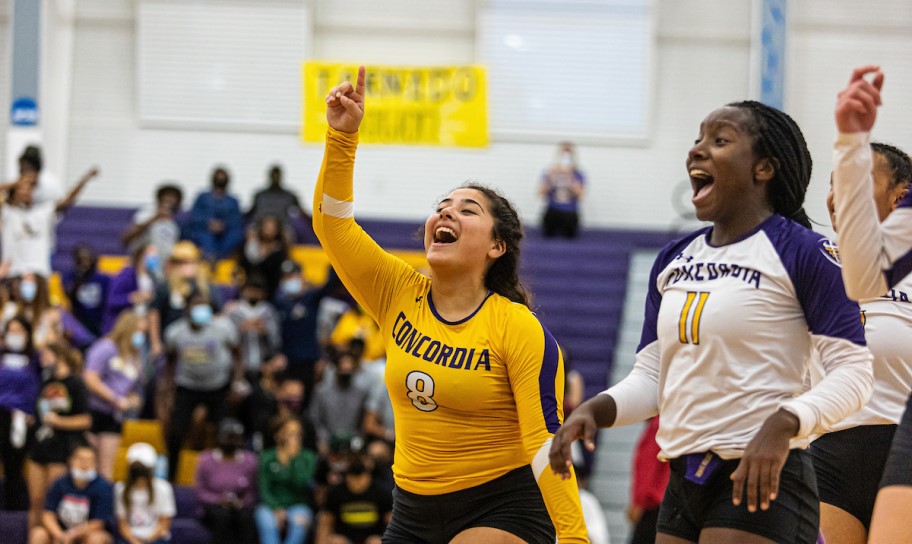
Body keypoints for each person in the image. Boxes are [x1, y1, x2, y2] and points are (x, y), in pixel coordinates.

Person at [549, 99, 874, 544]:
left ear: (764, 169)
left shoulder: (804, 253)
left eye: (719, 141)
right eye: (698, 139)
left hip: (762, 475)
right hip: (682, 476)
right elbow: (651, 375)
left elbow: (855, 373)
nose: (697, 151)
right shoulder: (674, 258)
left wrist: (784, 423)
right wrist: (595, 410)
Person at [315, 66, 587, 543]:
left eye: (467, 209)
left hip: (504, 504)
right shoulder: (396, 291)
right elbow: (333, 226)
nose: (446, 212)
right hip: (411, 509)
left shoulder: (517, 329)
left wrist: (575, 538)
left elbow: (545, 442)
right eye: (443, 205)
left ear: (496, 246)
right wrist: (342, 138)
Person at [810, 141, 912, 544]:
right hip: (829, 454)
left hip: (903, 450)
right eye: (834, 183)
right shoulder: (810, 260)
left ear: (900, 197)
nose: (838, 195)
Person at [163, 290, 242, 481]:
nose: (201, 310)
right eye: (196, 306)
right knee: (176, 432)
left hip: (218, 387)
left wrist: (237, 382)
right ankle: (171, 477)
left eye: (204, 306)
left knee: (224, 431)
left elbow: (238, 355)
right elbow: (170, 363)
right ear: (187, 309)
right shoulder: (175, 332)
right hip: (187, 387)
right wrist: (167, 391)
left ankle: (223, 477)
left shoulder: (224, 327)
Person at [28, 342, 92, 529]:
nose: (42, 359)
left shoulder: (76, 383)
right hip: (40, 445)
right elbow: (40, 412)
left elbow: (85, 420)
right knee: (36, 501)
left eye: (46, 355)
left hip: (62, 448)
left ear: (60, 357)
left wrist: (58, 422)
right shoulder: (45, 381)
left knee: (51, 502)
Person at [83, 311, 148, 480]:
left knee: (107, 468)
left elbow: (133, 386)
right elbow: (90, 377)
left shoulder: (134, 355)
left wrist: (133, 399)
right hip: (95, 410)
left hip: (115, 416)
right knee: (88, 464)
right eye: (138, 331)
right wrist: (113, 398)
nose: (141, 336)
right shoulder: (105, 348)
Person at [1, 166, 98, 278]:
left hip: (39, 273)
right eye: (21, 190)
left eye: (28, 190)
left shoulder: (44, 211)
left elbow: (67, 201)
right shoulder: (8, 213)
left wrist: (84, 180)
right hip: (13, 273)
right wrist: (18, 182)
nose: (25, 193)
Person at [29, 442, 113, 544]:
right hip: (61, 530)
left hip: (87, 533)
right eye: (80, 459)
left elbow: (98, 523)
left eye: (89, 460)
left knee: (96, 539)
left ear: (96, 464)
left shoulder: (103, 487)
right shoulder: (60, 483)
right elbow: (48, 515)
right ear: (71, 461)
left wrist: (72, 535)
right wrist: (60, 535)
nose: (84, 464)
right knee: (38, 533)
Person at [0, 316, 41, 511]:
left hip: (21, 419)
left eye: (19, 331)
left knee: (14, 470)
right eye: (11, 330)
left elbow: (43, 387)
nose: (14, 335)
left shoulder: (36, 357)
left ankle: (12, 519)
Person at [255, 416, 318, 544]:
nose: (295, 438)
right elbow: (264, 488)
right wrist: (276, 508)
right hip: (271, 506)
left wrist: (294, 459)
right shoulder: (267, 457)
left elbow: (303, 484)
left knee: (300, 522)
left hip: (299, 505)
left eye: (298, 434)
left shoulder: (308, 457)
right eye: (290, 433)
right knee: (266, 521)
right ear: (278, 435)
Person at [195, 418, 258, 544]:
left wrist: (241, 502)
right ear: (219, 437)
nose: (231, 440)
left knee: (246, 518)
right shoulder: (206, 459)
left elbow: (252, 492)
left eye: (235, 437)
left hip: (240, 506)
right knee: (222, 516)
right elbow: (200, 492)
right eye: (228, 436)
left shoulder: (250, 460)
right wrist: (219, 500)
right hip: (214, 507)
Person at [315, 446, 392, 544]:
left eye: (360, 478)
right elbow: (325, 523)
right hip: (345, 539)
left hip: (372, 539)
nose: (357, 483)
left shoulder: (381, 493)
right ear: (347, 476)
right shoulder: (336, 493)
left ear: (367, 475)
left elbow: (392, 523)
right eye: (353, 478)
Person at [115, 442, 175, 544]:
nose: (140, 477)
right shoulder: (121, 488)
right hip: (130, 539)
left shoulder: (163, 488)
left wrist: (147, 540)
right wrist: (134, 541)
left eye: (143, 471)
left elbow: (164, 522)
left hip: (156, 538)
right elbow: (122, 524)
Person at [224, 275, 282, 376]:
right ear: (244, 290)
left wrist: (265, 331)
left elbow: (276, 341)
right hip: (239, 366)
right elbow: (226, 340)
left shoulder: (269, 312)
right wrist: (240, 329)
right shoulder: (233, 311)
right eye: (251, 290)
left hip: (264, 365)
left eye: (258, 291)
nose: (254, 294)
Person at [185, 167, 245, 262]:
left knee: (236, 234)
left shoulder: (233, 201)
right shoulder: (203, 197)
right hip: (205, 229)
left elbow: (236, 219)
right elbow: (195, 215)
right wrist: (208, 223)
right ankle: (209, 258)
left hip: (226, 231)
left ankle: (222, 259)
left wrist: (223, 225)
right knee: (201, 234)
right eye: (218, 178)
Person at [626, 417, 669, 544]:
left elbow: (648, 466)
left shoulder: (659, 424)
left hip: (652, 503)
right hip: (664, 501)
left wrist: (639, 502)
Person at [102, 243, 159, 335]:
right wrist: (131, 298)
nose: (154, 257)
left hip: (142, 327)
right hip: (122, 328)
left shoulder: (153, 278)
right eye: (151, 254)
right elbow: (111, 301)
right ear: (140, 255)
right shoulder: (126, 275)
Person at [122, 184, 184, 261]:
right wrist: (155, 218)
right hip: (142, 259)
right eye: (167, 195)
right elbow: (126, 239)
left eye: (173, 197)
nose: (170, 199)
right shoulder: (147, 212)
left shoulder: (177, 222)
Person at [247, 164, 309, 238]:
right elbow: (249, 213)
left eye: (277, 175)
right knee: (251, 232)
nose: (275, 178)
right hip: (260, 226)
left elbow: (303, 212)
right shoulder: (260, 195)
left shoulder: (289, 196)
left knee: (288, 235)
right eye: (274, 175)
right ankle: (252, 250)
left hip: (281, 228)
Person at [63, 244, 111, 338]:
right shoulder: (70, 277)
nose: (85, 263)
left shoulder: (103, 279)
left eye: (87, 259)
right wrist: (81, 278)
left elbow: (108, 301)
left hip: (99, 321)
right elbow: (68, 293)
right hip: (79, 321)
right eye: (81, 259)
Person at [539, 142, 585, 239]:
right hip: (553, 210)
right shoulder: (550, 173)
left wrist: (570, 178)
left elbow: (581, 195)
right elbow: (540, 194)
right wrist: (551, 179)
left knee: (570, 237)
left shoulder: (578, 174)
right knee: (547, 235)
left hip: (570, 212)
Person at [240, 215, 289, 299]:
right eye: (266, 226)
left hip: (270, 290)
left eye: (272, 227)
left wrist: (267, 254)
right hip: (249, 284)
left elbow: (273, 272)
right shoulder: (251, 245)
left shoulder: (279, 251)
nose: (269, 230)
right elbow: (243, 264)